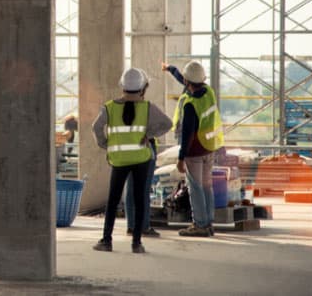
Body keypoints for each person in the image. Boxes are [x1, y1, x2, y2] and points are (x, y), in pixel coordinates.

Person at [91, 68, 172, 253]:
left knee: (112, 200)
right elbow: (167, 124)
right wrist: (149, 134)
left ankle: (106, 241)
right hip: (141, 158)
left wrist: (106, 144)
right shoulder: (147, 107)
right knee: (139, 197)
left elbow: (96, 127)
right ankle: (136, 243)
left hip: (119, 160)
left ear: (122, 85)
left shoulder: (109, 107)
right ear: (143, 87)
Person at [163, 60, 224, 237]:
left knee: (195, 188)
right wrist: (170, 69)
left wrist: (181, 158)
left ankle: (199, 224)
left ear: (188, 83)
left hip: (194, 152)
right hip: (209, 148)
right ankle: (208, 223)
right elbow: (187, 79)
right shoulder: (209, 92)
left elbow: (187, 134)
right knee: (206, 186)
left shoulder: (190, 104)